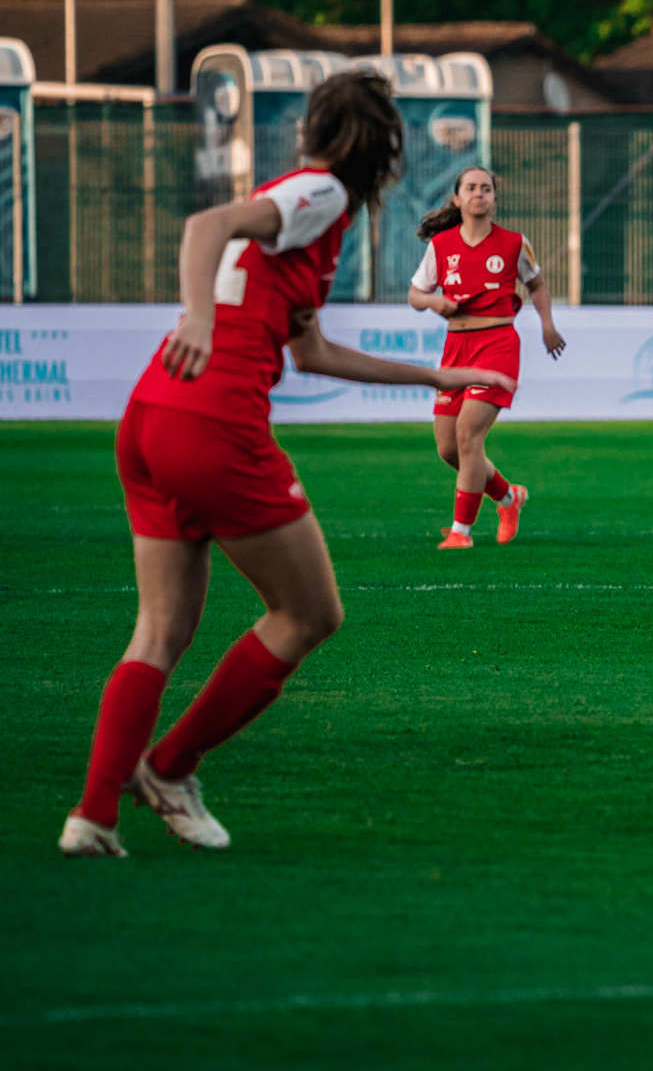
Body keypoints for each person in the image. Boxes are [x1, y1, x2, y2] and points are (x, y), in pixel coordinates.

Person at [60, 70, 517, 859]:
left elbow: (311, 350)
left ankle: (92, 819)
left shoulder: (305, 208)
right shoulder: (325, 194)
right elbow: (206, 226)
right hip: (214, 423)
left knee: (160, 631)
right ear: (383, 145)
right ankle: (169, 769)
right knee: (311, 615)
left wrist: (436, 377)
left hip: (150, 417)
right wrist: (199, 318)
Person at [407, 167, 565, 549]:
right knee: (449, 448)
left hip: (497, 345)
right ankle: (509, 497)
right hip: (456, 349)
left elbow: (537, 285)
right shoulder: (442, 245)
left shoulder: (513, 243)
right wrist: (434, 301)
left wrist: (547, 325)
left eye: (487, 189)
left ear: (495, 199)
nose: (480, 194)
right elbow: (415, 294)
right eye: (471, 188)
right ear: (458, 199)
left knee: (468, 435)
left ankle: (461, 532)